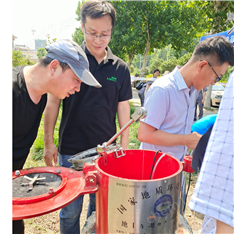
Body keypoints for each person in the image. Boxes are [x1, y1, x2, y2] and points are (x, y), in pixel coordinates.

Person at [42, 1, 132, 233]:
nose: (98, 39)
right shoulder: (71, 61)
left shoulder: (120, 68)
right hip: (71, 150)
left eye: (105, 34)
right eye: (92, 32)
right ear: (82, 27)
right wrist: (48, 142)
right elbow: (53, 102)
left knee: (99, 207)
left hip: (105, 151)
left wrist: (123, 148)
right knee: (70, 209)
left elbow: (124, 110)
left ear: (112, 30)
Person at [13, 39, 101, 234]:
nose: (78, 88)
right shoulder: (10, 90)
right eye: (76, 80)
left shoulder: (41, 95)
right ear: (54, 67)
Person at [138, 36, 234, 215]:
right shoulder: (163, 89)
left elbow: (174, 129)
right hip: (154, 176)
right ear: (202, 66)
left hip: (176, 172)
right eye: (217, 76)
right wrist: (186, 139)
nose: (214, 82)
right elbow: (144, 134)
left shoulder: (192, 91)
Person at [189, 70, 234, 233]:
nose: (214, 83)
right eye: (216, 77)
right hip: (198, 137)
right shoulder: (218, 126)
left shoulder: (217, 122)